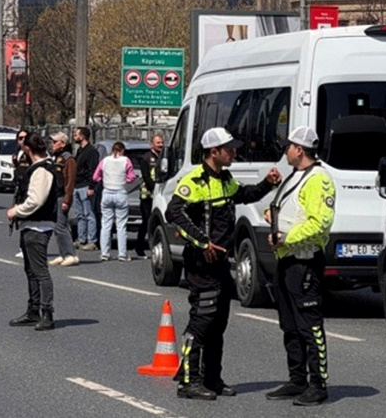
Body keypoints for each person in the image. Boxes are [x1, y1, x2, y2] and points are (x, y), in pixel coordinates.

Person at [166, 127, 281, 401]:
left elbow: (245, 195)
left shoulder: (225, 178)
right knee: (201, 321)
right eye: (229, 149)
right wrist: (202, 242)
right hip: (201, 263)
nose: (234, 152)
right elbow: (173, 211)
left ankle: (212, 378)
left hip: (221, 263)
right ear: (213, 152)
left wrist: (268, 183)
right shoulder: (194, 179)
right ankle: (188, 381)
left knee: (218, 322)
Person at [263, 126, 336, 406]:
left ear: (299, 150)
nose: (285, 151)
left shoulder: (319, 179)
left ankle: (318, 385)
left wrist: (286, 236)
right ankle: (297, 380)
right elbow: (285, 209)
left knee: (310, 326)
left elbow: (320, 223)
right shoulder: (296, 176)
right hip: (286, 260)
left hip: (304, 261)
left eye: (289, 146)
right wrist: (273, 220)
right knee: (289, 325)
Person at [6, 132, 61, 331]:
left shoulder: (42, 170)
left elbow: (36, 200)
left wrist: (16, 211)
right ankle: (33, 310)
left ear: (28, 148)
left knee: (40, 272)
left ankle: (47, 312)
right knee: (30, 271)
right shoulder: (39, 167)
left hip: (39, 226)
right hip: (31, 225)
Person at [94, 141, 137, 262]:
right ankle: (122, 254)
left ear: (112, 150)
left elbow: (95, 177)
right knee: (121, 225)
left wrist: (105, 178)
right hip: (120, 192)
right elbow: (132, 177)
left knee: (106, 224)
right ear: (122, 150)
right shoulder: (126, 161)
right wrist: (124, 179)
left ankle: (105, 253)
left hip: (107, 192)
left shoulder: (105, 161)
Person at [47, 132, 79, 267]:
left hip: (62, 195)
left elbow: (70, 181)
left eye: (55, 142)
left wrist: (67, 199)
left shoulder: (68, 159)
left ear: (63, 143)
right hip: (56, 195)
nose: (53, 144)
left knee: (61, 226)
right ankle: (63, 253)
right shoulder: (56, 158)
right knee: (57, 226)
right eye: (52, 142)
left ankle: (70, 254)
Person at [71, 126, 100, 250]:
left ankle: (92, 241)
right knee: (79, 215)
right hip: (77, 186)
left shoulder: (91, 151)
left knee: (89, 214)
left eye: (76, 134)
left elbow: (93, 171)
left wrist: (91, 187)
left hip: (86, 186)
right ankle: (81, 239)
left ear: (83, 136)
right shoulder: (80, 151)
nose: (74, 136)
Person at [139, 134, 166, 249]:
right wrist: (154, 189)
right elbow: (146, 176)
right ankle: (139, 246)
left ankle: (156, 245)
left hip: (161, 194)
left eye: (161, 142)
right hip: (148, 195)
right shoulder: (146, 158)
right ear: (152, 144)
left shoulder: (165, 157)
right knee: (147, 221)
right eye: (158, 143)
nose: (160, 145)